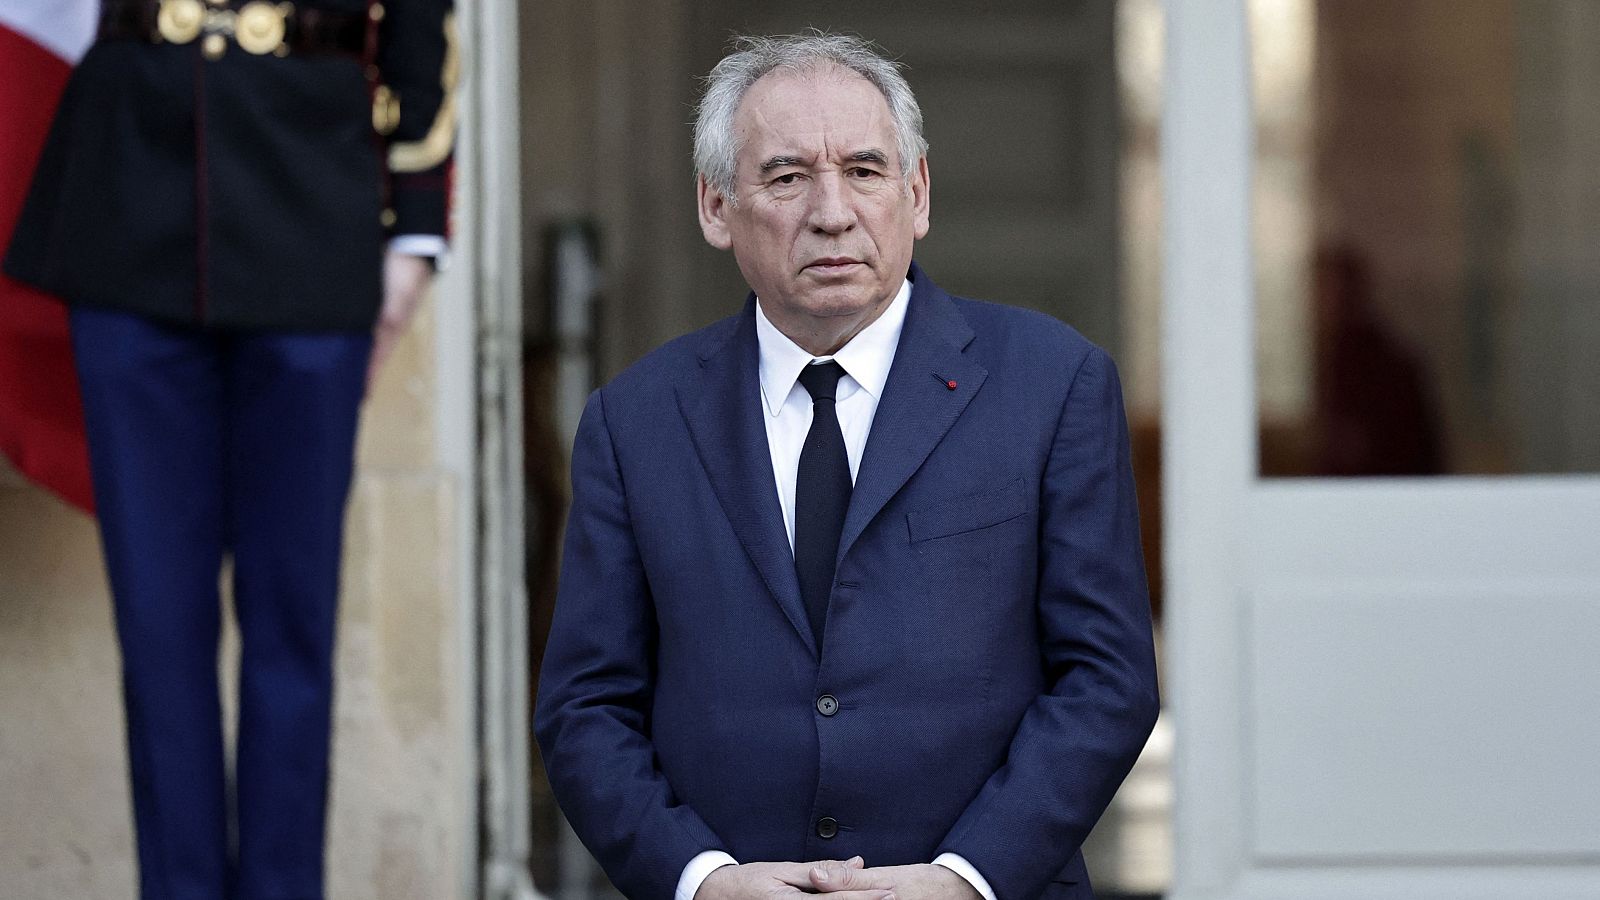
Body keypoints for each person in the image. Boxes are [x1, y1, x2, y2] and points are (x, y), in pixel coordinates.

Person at [534, 32, 1158, 900]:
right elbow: (585, 709)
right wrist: (704, 880)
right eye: (787, 177)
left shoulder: (1054, 385)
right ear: (716, 206)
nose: (833, 211)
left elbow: (1109, 681)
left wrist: (962, 879)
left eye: (864, 171)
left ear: (918, 192)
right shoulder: (634, 420)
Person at [1, 1, 455, 897]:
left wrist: (416, 224)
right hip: (129, 204)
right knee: (159, 627)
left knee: (293, 623)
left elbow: (416, 21)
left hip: (313, 198)